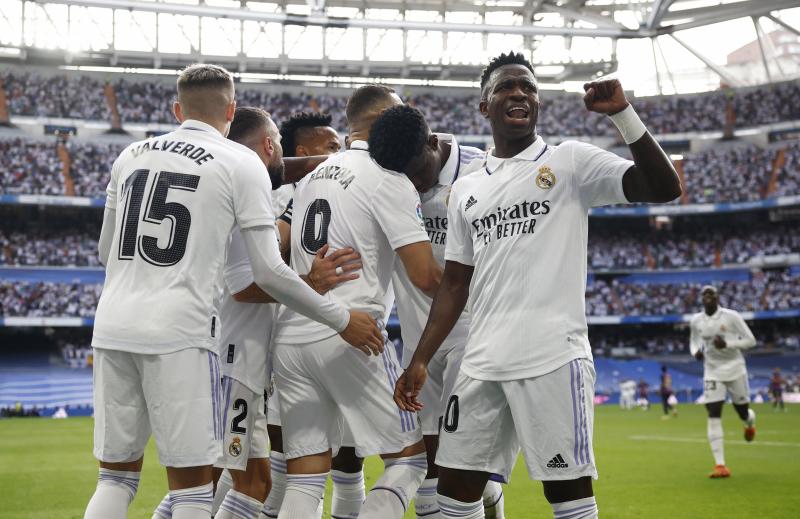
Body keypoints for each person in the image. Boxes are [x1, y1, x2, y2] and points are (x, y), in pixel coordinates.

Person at [84, 64, 383, 519]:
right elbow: (265, 273)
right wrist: (341, 318)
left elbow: (107, 251)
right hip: (182, 334)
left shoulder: (129, 156)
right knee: (192, 490)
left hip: (111, 326)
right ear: (231, 108)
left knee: (116, 478)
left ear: (176, 108)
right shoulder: (239, 161)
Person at [395, 51, 681, 519]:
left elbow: (664, 188)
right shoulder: (467, 189)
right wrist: (421, 358)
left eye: (527, 87)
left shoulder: (570, 162)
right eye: (506, 87)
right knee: (452, 490)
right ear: (485, 107)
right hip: (481, 362)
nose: (519, 93)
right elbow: (453, 287)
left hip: (552, 355)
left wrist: (624, 117)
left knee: (567, 496)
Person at [148, 107, 362, 519]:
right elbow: (245, 284)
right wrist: (310, 283)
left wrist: (337, 159)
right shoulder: (254, 191)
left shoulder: (223, 180)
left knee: (223, 476)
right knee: (249, 481)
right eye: (279, 146)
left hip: (227, 348)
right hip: (235, 354)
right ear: (270, 145)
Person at [271, 84, 443, 519]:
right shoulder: (388, 179)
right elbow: (425, 277)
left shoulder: (310, 175)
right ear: (389, 121)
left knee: (306, 476)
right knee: (409, 460)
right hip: (353, 333)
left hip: (293, 336)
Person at [368, 104, 505, 519]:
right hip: (417, 344)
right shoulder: (386, 176)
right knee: (428, 465)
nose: (411, 184)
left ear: (433, 144)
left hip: (473, 341)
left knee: (456, 471)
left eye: (418, 173)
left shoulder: (485, 173)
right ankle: (493, 502)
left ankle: (491, 502)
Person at [263, 112, 364, 519]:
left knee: (320, 469)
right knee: (301, 473)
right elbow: (264, 262)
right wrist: (308, 278)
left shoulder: (319, 191)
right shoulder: (293, 195)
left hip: (301, 342)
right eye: (331, 147)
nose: (340, 151)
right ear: (302, 154)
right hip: (315, 335)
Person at [690, 285, 757, 479]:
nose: (708, 296)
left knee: (742, 411)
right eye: (704, 294)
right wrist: (695, 352)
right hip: (712, 371)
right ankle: (720, 465)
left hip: (735, 368)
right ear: (701, 299)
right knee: (713, 412)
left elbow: (750, 340)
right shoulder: (696, 321)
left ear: (718, 298)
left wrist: (728, 344)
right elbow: (694, 341)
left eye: (712, 293)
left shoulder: (731, 317)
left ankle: (749, 422)